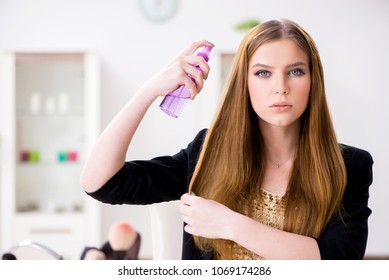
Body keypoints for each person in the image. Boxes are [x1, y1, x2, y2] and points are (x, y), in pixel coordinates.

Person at [80, 19, 373, 260]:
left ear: (313, 81)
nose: (280, 87)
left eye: (295, 71)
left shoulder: (349, 166)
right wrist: (149, 90)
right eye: (263, 73)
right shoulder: (207, 154)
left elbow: (339, 260)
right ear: (244, 84)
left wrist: (231, 225)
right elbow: (101, 183)